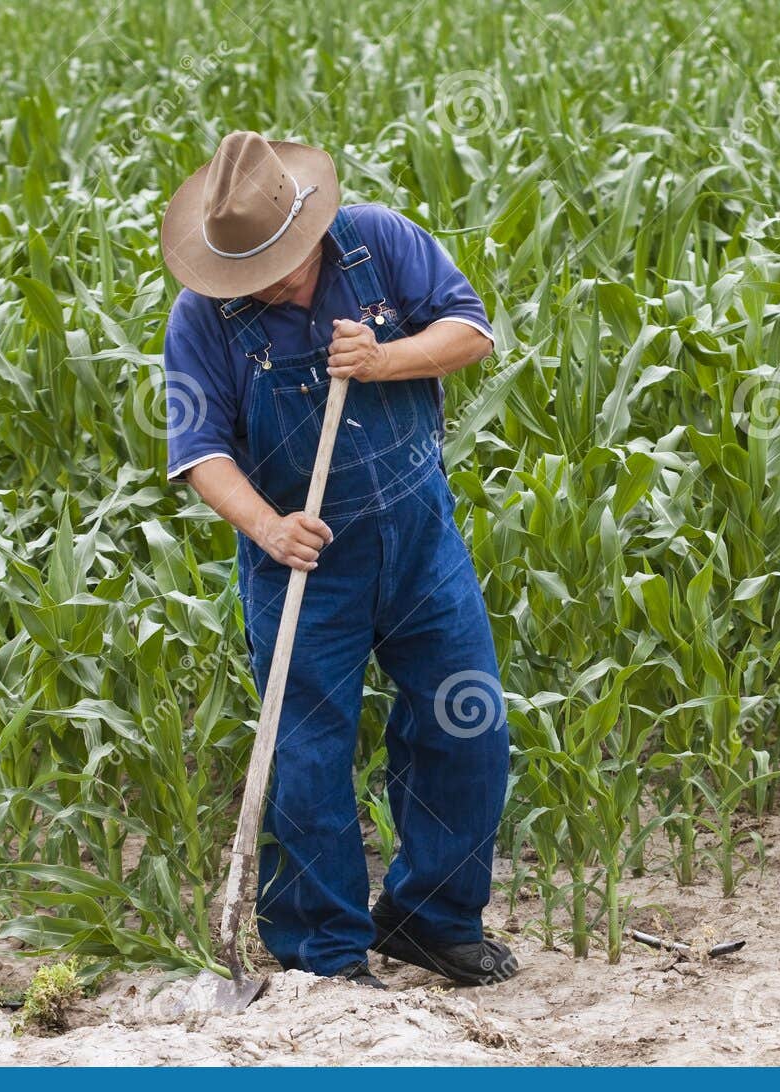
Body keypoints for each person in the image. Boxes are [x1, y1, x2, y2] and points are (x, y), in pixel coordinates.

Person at [157, 130, 517, 988]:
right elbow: (198, 449)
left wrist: (385, 358)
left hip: (419, 534)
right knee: (309, 754)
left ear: (308, 221)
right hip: (305, 564)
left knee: (466, 721)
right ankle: (325, 949)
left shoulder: (380, 240)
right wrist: (268, 527)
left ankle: (432, 919)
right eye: (248, 270)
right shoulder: (201, 319)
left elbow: (472, 332)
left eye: (279, 260)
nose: (269, 281)